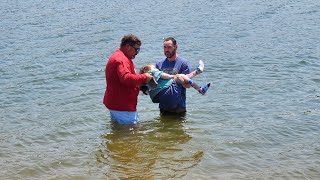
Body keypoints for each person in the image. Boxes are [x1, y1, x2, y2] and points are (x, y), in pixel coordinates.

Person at [103, 34, 153, 124]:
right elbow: (125, 78)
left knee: (119, 133)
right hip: (123, 107)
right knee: (132, 134)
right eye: (136, 49)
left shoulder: (122, 56)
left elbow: (124, 80)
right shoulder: (121, 59)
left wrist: (140, 85)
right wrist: (145, 77)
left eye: (139, 50)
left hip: (117, 105)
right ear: (127, 46)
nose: (137, 53)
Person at [139, 60, 211, 103]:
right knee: (179, 76)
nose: (155, 68)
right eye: (154, 67)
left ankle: (197, 72)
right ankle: (200, 88)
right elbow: (163, 75)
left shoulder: (146, 78)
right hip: (166, 90)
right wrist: (173, 76)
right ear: (148, 69)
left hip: (156, 97)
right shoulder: (152, 72)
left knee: (183, 78)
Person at [154, 37, 193, 115]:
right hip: (163, 106)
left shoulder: (183, 63)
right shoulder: (159, 64)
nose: (166, 50)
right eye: (165, 47)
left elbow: (187, 85)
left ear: (176, 47)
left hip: (178, 107)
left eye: (169, 47)